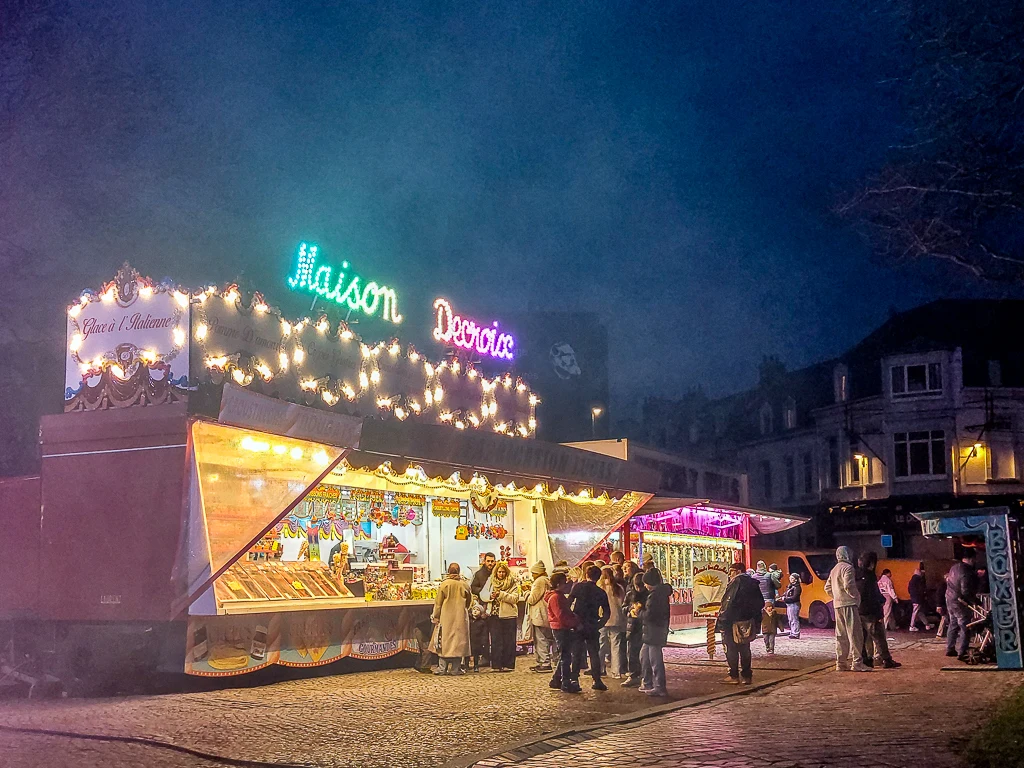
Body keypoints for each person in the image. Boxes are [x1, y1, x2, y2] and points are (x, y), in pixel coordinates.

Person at [716, 562, 764, 685]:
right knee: (745, 648)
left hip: (733, 621)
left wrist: (722, 620)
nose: (729, 574)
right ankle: (747, 675)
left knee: (731, 648)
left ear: (737, 571)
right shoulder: (753, 583)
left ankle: (734, 675)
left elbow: (729, 603)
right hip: (747, 621)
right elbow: (760, 603)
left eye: (731, 571)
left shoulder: (736, 582)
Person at [825, 547, 869, 672]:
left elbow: (827, 587)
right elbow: (848, 585)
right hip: (849, 604)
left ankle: (841, 663)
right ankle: (857, 663)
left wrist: (836, 596)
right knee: (855, 634)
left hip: (837, 605)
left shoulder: (834, 569)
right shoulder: (848, 568)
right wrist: (856, 597)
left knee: (841, 635)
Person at [569, 564, 610, 690]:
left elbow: (568, 603)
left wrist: (572, 619)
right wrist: (600, 624)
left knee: (576, 653)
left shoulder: (578, 587)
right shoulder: (600, 592)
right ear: (598, 577)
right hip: (592, 623)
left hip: (578, 623)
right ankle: (597, 680)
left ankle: (574, 679)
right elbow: (607, 611)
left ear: (586, 575)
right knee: (594, 653)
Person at [856, 552, 901, 669]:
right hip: (870, 612)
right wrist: (879, 612)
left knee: (863, 638)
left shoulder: (856, 575)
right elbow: (873, 595)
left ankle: (866, 660)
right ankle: (886, 660)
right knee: (879, 637)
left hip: (859, 610)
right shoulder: (870, 577)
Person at [431, 563, 472, 675]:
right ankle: (455, 669)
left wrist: (435, 616)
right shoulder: (464, 585)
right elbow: (469, 601)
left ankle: (442, 668)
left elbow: (438, 603)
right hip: (460, 618)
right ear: (459, 571)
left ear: (448, 571)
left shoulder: (444, 585)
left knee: (444, 642)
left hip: (446, 617)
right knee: (458, 643)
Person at [546, 571, 581, 693]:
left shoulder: (558, 596)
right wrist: (574, 623)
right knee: (565, 656)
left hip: (562, 626)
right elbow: (561, 615)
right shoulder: (555, 597)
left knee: (564, 655)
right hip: (560, 628)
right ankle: (565, 682)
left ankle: (556, 679)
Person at [638, 568, 671, 696]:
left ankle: (659, 686)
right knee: (645, 656)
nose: (645, 586)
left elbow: (650, 615)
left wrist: (639, 612)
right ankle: (647, 683)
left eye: (646, 583)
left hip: (654, 630)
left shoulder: (655, 595)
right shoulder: (659, 594)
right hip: (653, 630)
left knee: (655, 659)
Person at [945, 552, 978, 661]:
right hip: (960, 601)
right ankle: (962, 651)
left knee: (953, 623)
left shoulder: (954, 568)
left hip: (949, 599)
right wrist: (974, 601)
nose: (975, 561)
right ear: (970, 559)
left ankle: (950, 648)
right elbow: (965, 590)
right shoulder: (967, 571)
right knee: (965, 626)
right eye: (974, 559)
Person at [488, 562, 520, 672]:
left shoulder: (512, 583)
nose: (501, 574)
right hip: (494, 615)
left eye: (503, 572)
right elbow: (484, 594)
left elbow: (515, 598)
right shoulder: (491, 582)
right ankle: (496, 665)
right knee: (496, 640)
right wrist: (490, 596)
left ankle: (508, 664)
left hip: (508, 615)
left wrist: (501, 594)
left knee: (509, 641)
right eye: (499, 572)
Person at [621, 571, 648, 688]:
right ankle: (633, 675)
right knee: (632, 652)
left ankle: (645, 676)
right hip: (632, 626)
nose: (639, 589)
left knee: (645, 654)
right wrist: (630, 609)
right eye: (637, 586)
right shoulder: (630, 594)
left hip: (645, 626)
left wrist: (640, 610)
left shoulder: (649, 595)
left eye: (640, 586)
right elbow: (623, 608)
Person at [599, 567, 627, 679]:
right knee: (616, 645)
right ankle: (616, 671)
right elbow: (622, 604)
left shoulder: (600, 587)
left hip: (603, 619)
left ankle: (600, 668)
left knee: (601, 645)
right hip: (616, 619)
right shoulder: (618, 588)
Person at [470, 553, 496, 665]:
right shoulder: (479, 574)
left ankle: (495, 657)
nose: (490, 563)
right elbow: (473, 588)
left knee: (495, 635)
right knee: (483, 635)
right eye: (488, 561)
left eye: (492, 561)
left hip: (496, 608)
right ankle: (485, 657)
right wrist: (484, 592)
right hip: (484, 608)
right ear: (484, 561)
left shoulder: (498, 572)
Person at [527, 562, 553, 673]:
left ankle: (545, 662)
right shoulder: (546, 580)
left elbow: (532, 599)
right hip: (544, 613)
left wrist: (526, 593)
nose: (532, 575)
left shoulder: (539, 582)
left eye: (533, 573)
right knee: (543, 639)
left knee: (541, 639)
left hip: (539, 614)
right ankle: (542, 661)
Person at [752, 561, 779, 655]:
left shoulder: (754, 577)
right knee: (770, 619)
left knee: (762, 618)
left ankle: (759, 632)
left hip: (758, 599)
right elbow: (778, 585)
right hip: (769, 599)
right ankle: (771, 643)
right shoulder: (769, 575)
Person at [908, 565, 934, 631]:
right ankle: (911, 626)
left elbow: (909, 589)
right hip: (918, 598)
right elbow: (921, 589)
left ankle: (927, 624)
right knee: (915, 612)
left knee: (919, 612)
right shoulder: (919, 580)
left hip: (913, 597)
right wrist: (924, 594)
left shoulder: (911, 580)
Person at [780, 573, 802, 639]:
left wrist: (785, 599)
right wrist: (783, 596)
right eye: (790, 578)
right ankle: (793, 632)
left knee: (794, 619)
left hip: (794, 604)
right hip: (789, 604)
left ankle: (796, 633)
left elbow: (794, 597)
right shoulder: (790, 586)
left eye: (792, 578)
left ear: (796, 579)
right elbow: (787, 593)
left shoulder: (797, 587)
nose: (790, 579)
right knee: (790, 619)